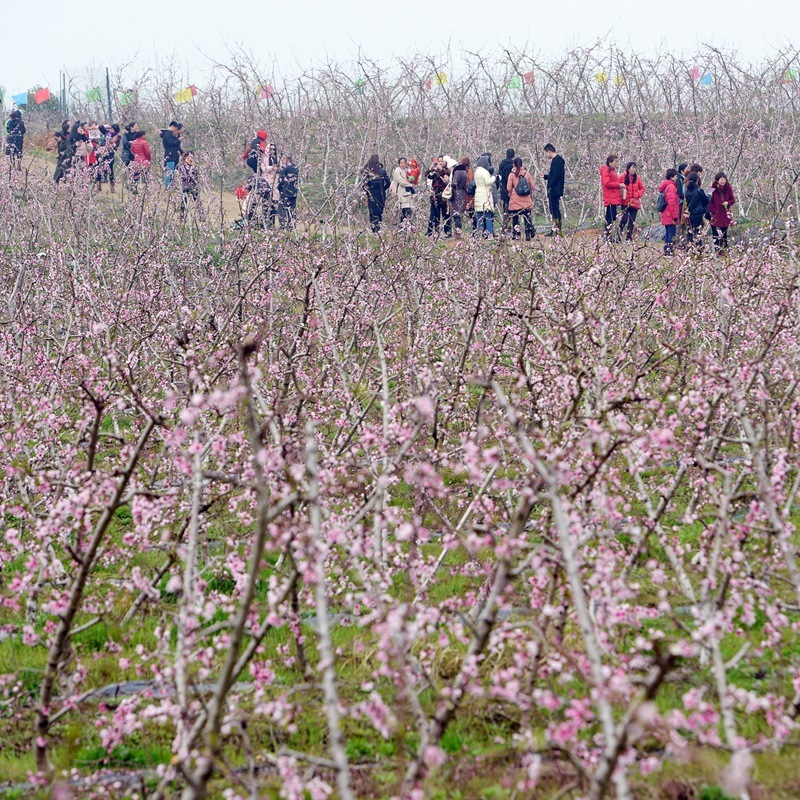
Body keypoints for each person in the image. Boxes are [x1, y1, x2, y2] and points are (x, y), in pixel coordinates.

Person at [506, 156, 534, 240]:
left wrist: (511, 193)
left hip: (515, 199)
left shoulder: (511, 175)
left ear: (513, 165)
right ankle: (528, 233)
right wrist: (529, 193)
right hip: (526, 199)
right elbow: (532, 186)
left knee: (515, 218)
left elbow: (508, 188)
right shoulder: (527, 174)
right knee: (527, 217)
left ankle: (516, 233)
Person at [362, 154, 390, 233]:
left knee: (372, 212)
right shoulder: (382, 171)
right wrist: (383, 189)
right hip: (381, 193)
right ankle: (378, 229)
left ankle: (374, 228)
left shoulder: (367, 171)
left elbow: (364, 185)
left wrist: (368, 192)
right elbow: (388, 182)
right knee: (379, 212)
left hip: (372, 193)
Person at [709, 172, 735, 252]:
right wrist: (714, 211)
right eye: (721, 180)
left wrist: (728, 203)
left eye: (724, 179)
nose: (723, 181)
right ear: (717, 180)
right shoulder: (712, 189)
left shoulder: (728, 187)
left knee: (724, 232)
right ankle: (717, 250)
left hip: (725, 214)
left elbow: (732, 199)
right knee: (716, 233)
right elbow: (709, 202)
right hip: (716, 215)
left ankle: (725, 249)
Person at [600, 154, 624, 241]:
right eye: (615, 162)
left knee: (612, 217)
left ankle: (609, 235)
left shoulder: (611, 171)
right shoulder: (606, 170)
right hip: (610, 197)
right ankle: (607, 235)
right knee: (610, 217)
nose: (616, 164)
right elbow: (606, 183)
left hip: (613, 197)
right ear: (610, 162)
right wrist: (618, 185)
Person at [618, 162, 645, 241]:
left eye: (635, 168)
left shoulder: (637, 178)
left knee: (632, 220)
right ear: (628, 168)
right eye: (633, 168)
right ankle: (619, 234)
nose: (634, 170)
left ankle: (629, 237)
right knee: (624, 219)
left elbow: (642, 188)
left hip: (634, 202)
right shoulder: (622, 177)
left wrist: (638, 194)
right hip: (625, 202)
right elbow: (617, 187)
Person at [543, 144, 565, 235]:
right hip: (555, 189)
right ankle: (555, 228)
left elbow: (556, 176)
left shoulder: (557, 161)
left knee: (555, 209)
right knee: (553, 209)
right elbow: (554, 175)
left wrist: (550, 186)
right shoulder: (557, 161)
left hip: (555, 190)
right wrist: (545, 176)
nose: (546, 155)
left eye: (546, 153)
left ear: (549, 151)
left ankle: (557, 229)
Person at [426, 156, 450, 237]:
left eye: (441, 161)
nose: (440, 163)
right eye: (438, 161)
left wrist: (441, 170)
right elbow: (428, 175)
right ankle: (432, 231)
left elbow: (447, 179)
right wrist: (431, 168)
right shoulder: (435, 171)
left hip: (444, 196)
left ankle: (447, 232)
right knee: (434, 215)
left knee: (445, 215)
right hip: (435, 196)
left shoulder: (447, 170)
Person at [685, 173, 710, 250]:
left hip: (691, 213)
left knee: (691, 231)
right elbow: (706, 200)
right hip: (698, 213)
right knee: (698, 231)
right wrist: (709, 196)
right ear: (697, 180)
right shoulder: (699, 190)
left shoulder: (687, 191)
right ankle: (698, 248)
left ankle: (689, 247)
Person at [658, 169, 680, 256]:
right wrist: (675, 216)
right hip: (670, 213)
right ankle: (669, 250)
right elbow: (672, 203)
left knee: (668, 231)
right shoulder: (671, 187)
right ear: (672, 176)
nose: (676, 178)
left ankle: (667, 250)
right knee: (671, 232)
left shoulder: (666, 186)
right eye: (675, 176)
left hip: (666, 213)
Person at [473, 154, 496, 238]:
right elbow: (488, 181)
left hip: (478, 193)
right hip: (485, 194)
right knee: (488, 215)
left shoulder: (476, 172)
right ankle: (489, 233)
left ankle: (479, 234)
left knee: (479, 215)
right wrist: (494, 178)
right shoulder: (484, 172)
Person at [450, 157, 470, 236]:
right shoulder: (465, 172)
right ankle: (458, 230)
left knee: (456, 213)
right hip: (463, 193)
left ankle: (457, 231)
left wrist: (448, 183)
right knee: (460, 213)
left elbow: (454, 183)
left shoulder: (457, 172)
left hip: (457, 194)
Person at [97, 124, 120, 193]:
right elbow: (100, 127)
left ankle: (112, 188)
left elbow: (116, 146)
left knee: (110, 171)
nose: (111, 130)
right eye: (111, 129)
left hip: (110, 154)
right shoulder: (107, 133)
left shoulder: (117, 137)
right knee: (99, 169)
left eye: (113, 129)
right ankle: (98, 186)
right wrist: (107, 126)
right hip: (102, 153)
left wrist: (112, 145)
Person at [278, 154, 299, 229]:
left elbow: (280, 180)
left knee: (282, 208)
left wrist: (279, 187)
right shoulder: (296, 168)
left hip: (285, 191)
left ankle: (283, 225)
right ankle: (292, 225)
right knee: (292, 208)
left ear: (286, 159)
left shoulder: (285, 168)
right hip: (294, 191)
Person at [392, 157, 414, 227]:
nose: (402, 164)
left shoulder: (407, 170)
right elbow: (400, 181)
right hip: (401, 190)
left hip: (408, 191)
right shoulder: (397, 171)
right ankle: (402, 223)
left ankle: (406, 223)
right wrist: (410, 184)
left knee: (408, 207)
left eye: (404, 163)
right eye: (401, 163)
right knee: (404, 207)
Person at [159, 121, 183, 187]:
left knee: (171, 173)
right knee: (169, 173)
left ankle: (170, 186)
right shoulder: (167, 134)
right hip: (170, 156)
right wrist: (178, 140)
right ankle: (167, 187)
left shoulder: (170, 134)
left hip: (172, 155)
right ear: (172, 126)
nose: (176, 130)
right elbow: (170, 143)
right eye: (175, 128)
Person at [178, 151, 200, 219]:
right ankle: (182, 215)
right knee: (184, 200)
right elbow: (184, 176)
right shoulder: (182, 166)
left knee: (197, 199)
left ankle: (201, 215)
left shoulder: (194, 166)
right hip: (186, 185)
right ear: (186, 157)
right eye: (190, 156)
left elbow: (197, 175)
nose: (192, 157)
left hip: (193, 185)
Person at [498, 148, 515, 218]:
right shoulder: (514, 165)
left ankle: (506, 226)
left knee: (506, 209)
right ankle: (516, 226)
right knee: (514, 209)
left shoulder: (502, 165)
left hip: (504, 189)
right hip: (513, 190)